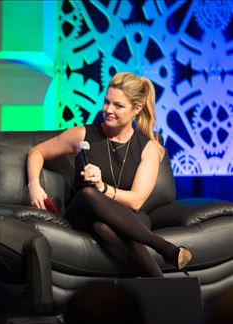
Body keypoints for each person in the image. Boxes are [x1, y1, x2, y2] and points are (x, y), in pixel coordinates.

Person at [26, 72, 191, 277]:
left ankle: (159, 282)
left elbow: (137, 201)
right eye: (106, 102)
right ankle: (165, 248)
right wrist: (34, 183)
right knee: (88, 194)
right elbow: (37, 152)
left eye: (118, 106)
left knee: (103, 228)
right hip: (83, 212)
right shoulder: (83, 134)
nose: (108, 110)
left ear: (136, 109)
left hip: (129, 216)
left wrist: (103, 187)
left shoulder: (148, 147)